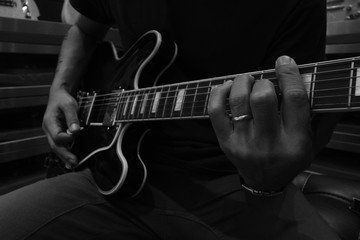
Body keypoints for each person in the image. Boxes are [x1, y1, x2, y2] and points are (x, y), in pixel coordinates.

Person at [0, 0, 342, 239]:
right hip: (109, 171)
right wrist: (59, 90)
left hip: (231, 184)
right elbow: (85, 29)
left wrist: (269, 180)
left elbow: (302, 112)